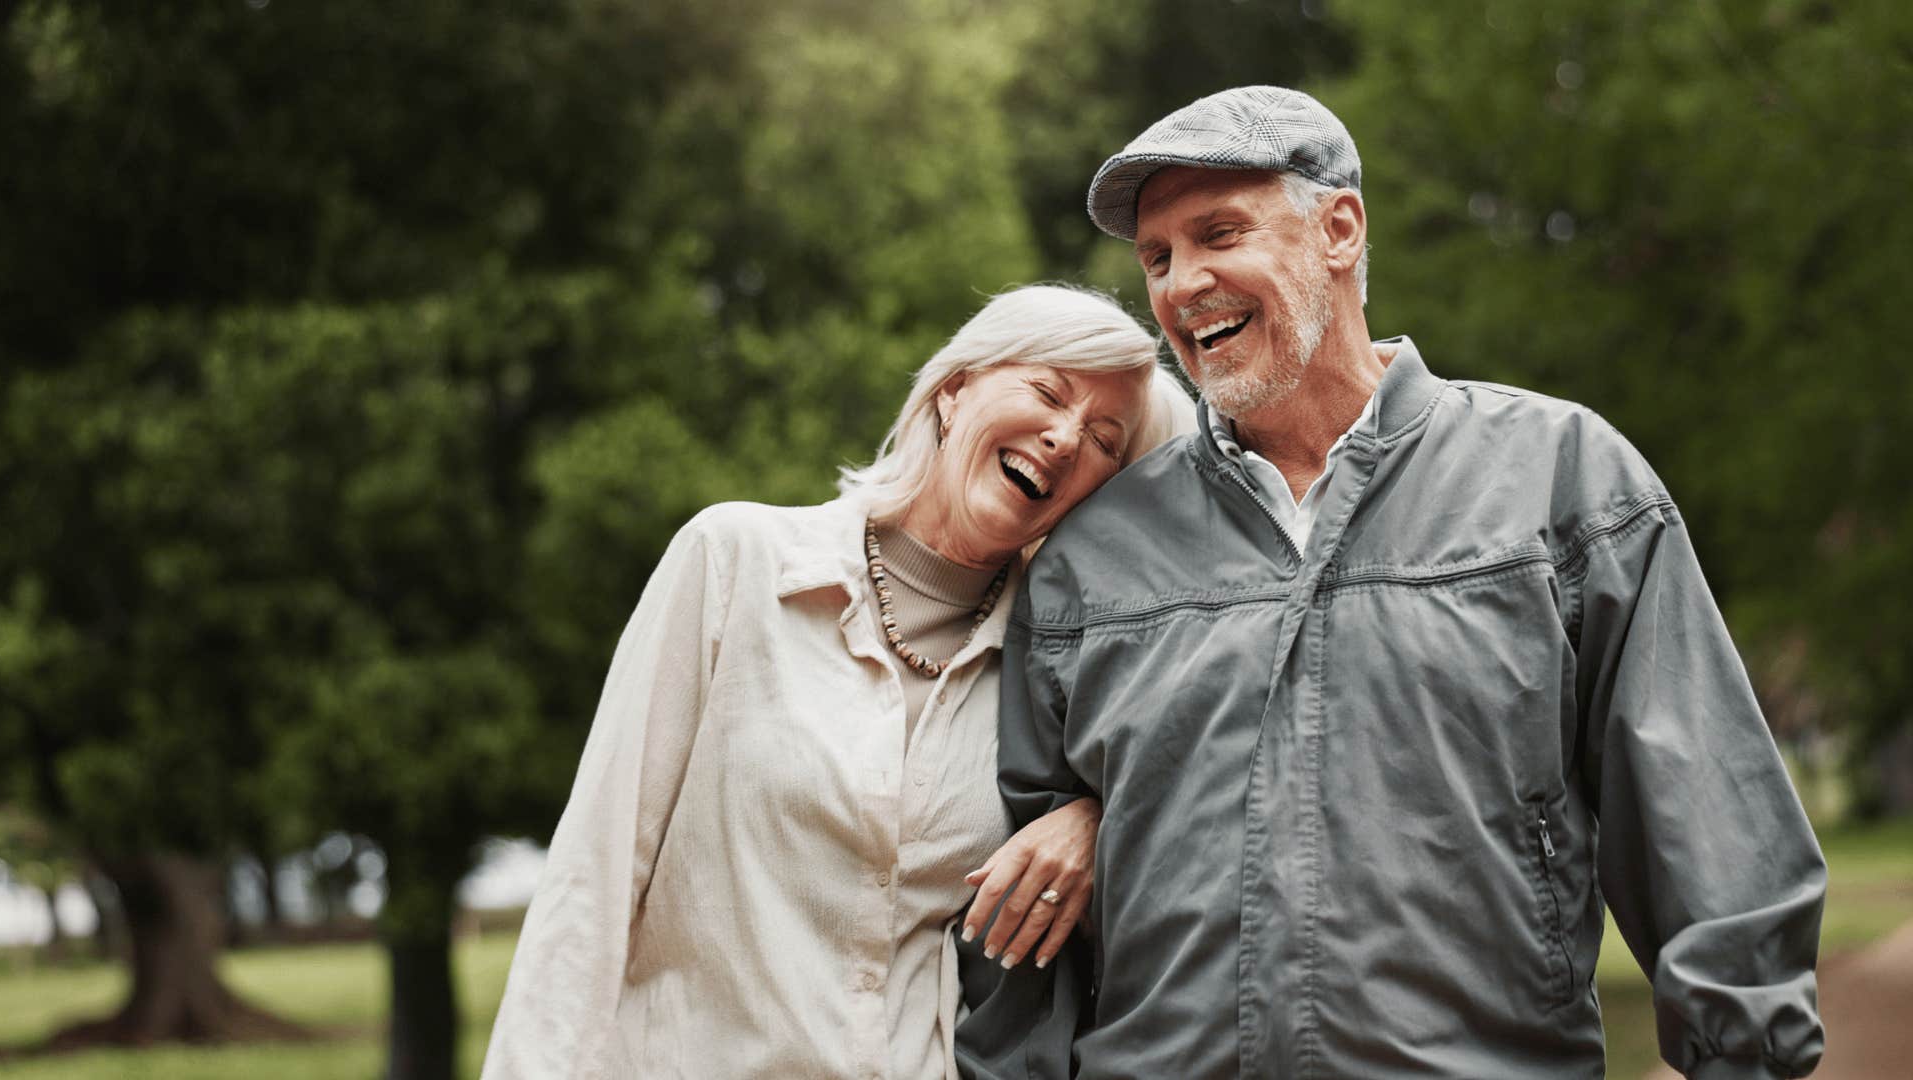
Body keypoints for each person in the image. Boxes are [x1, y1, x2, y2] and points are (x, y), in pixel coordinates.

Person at [957, 87, 1826, 1079]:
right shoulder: (1092, 555)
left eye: (1218, 233)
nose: (1182, 283)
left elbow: (1712, 831)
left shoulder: (1566, 483)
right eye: (1157, 258)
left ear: (1339, 228)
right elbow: (1022, 939)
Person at [481, 284, 1196, 1079]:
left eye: (1104, 439)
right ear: (954, 392)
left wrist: (1097, 818)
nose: (1064, 438)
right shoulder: (736, 562)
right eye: (1046, 392)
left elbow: (1189, 787)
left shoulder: (1054, 670)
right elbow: (596, 875)